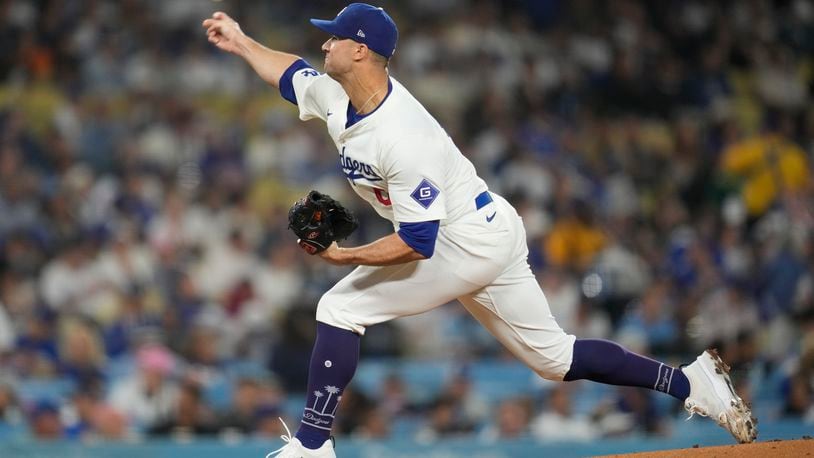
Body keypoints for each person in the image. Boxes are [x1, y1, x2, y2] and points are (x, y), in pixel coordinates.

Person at [202, 4, 756, 456]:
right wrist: (242, 40)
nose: (325, 45)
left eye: (335, 38)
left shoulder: (404, 135)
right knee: (554, 360)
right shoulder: (336, 96)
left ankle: (312, 447)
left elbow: (417, 244)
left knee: (339, 308)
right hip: (488, 227)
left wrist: (344, 258)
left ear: (361, 50)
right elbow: (292, 71)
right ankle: (691, 383)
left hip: (463, 240)